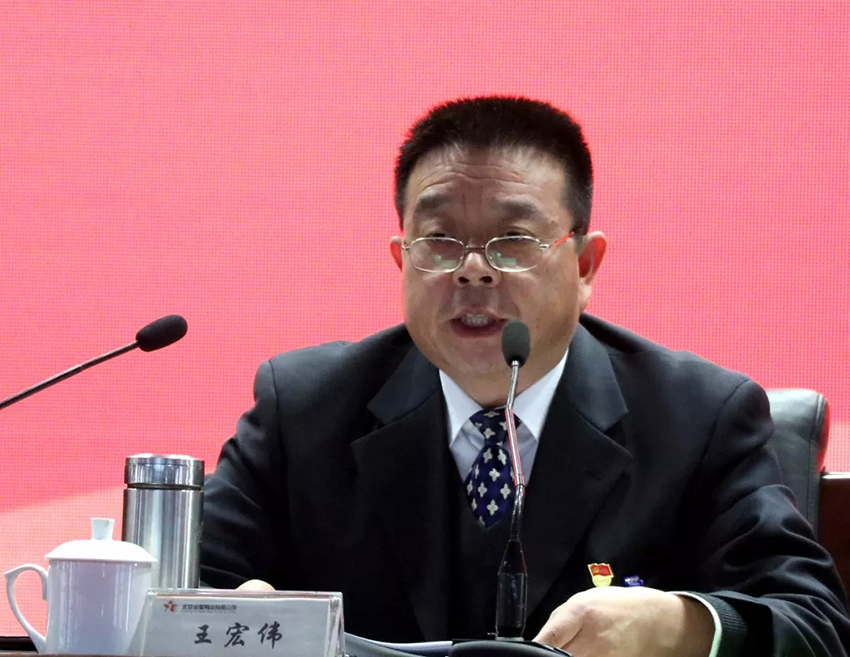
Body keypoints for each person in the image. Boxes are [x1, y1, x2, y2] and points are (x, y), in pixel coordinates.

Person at [200, 96, 850, 656]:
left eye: (512, 240)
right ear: (402, 259)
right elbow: (189, 590)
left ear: (586, 264)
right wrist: (224, 612)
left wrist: (684, 625)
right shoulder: (303, 410)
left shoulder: (697, 417)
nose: (473, 270)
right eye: (440, 241)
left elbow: (814, 624)